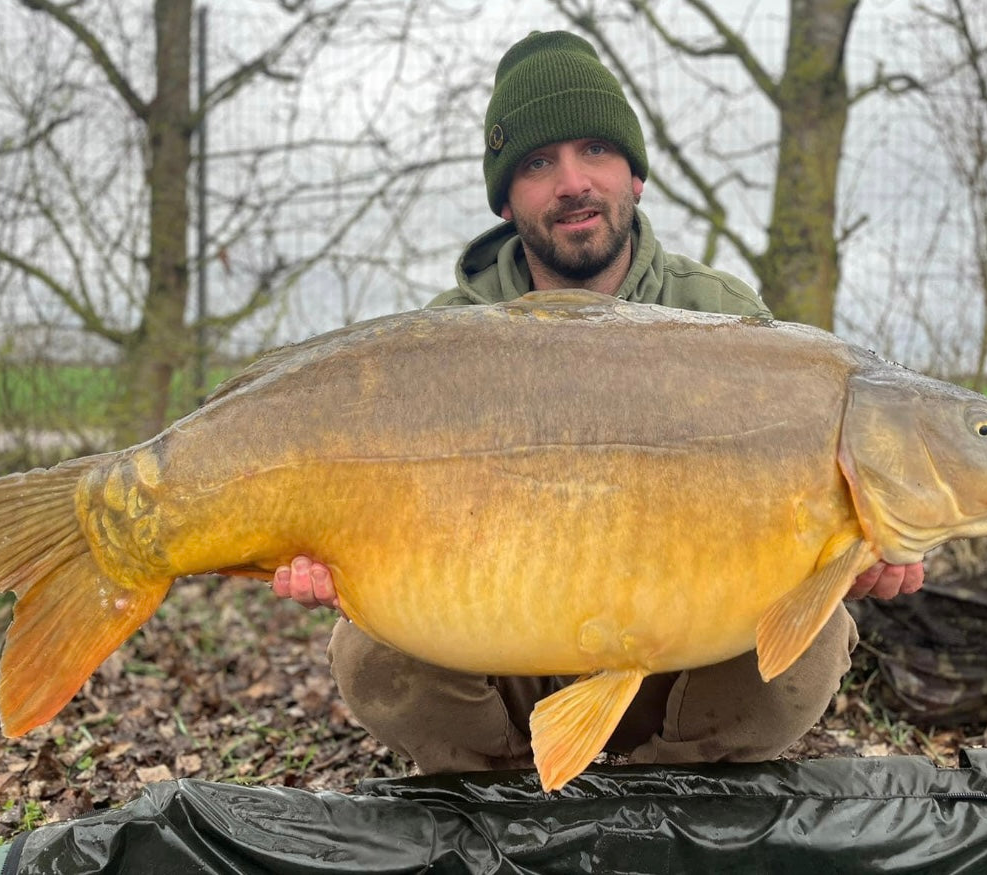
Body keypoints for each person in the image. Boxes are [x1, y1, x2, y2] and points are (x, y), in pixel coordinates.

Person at [272, 30, 924, 775]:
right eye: (538, 164)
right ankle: (507, 790)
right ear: (508, 199)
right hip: (501, 645)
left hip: (678, 658)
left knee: (812, 641)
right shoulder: (448, 341)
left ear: (635, 174)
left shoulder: (720, 316)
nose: (572, 181)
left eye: (595, 151)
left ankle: (669, 792)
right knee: (371, 651)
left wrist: (852, 551)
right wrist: (325, 551)